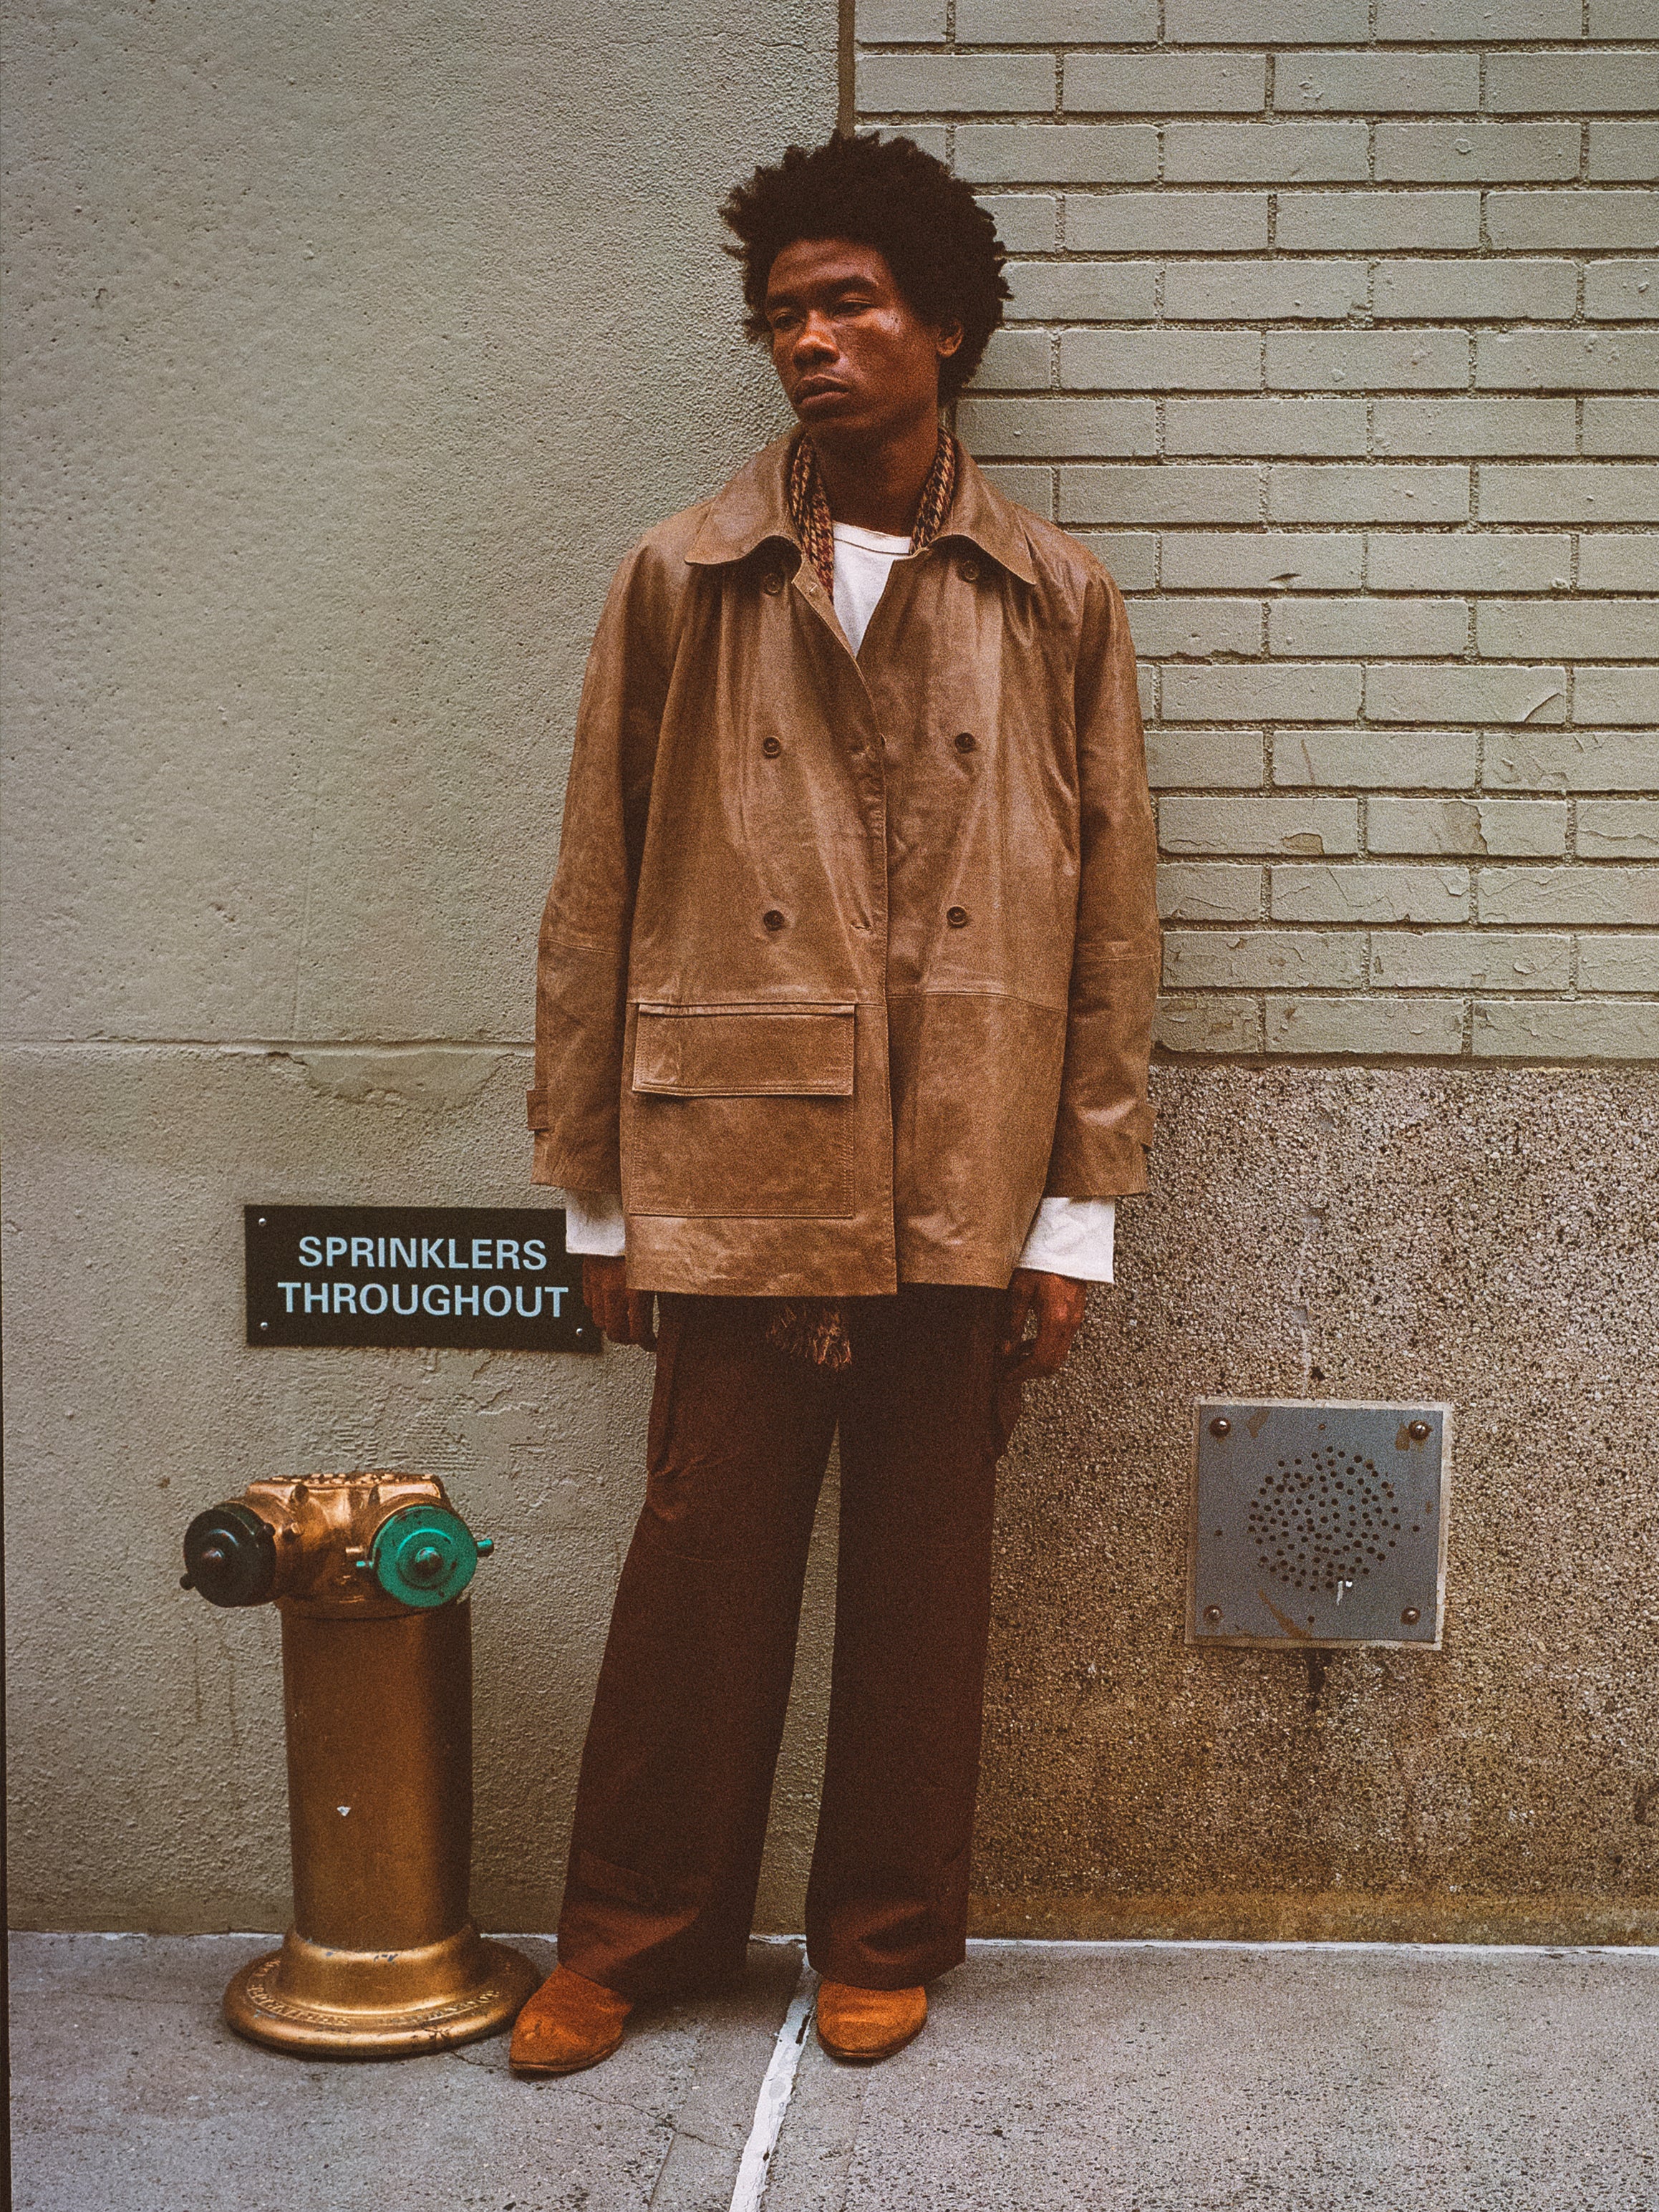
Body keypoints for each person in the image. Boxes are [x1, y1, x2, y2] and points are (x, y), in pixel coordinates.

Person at [511, 131, 1159, 2076]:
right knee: (695, 1575)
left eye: (849, 300)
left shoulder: (1052, 596)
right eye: (783, 311)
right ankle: (635, 1930)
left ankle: (884, 1929)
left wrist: (1076, 1213)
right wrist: (596, 1199)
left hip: (969, 1173)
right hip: (731, 1166)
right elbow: (593, 892)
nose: (810, 337)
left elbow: (1113, 916)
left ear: (942, 323)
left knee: (921, 1588)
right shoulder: (682, 578)